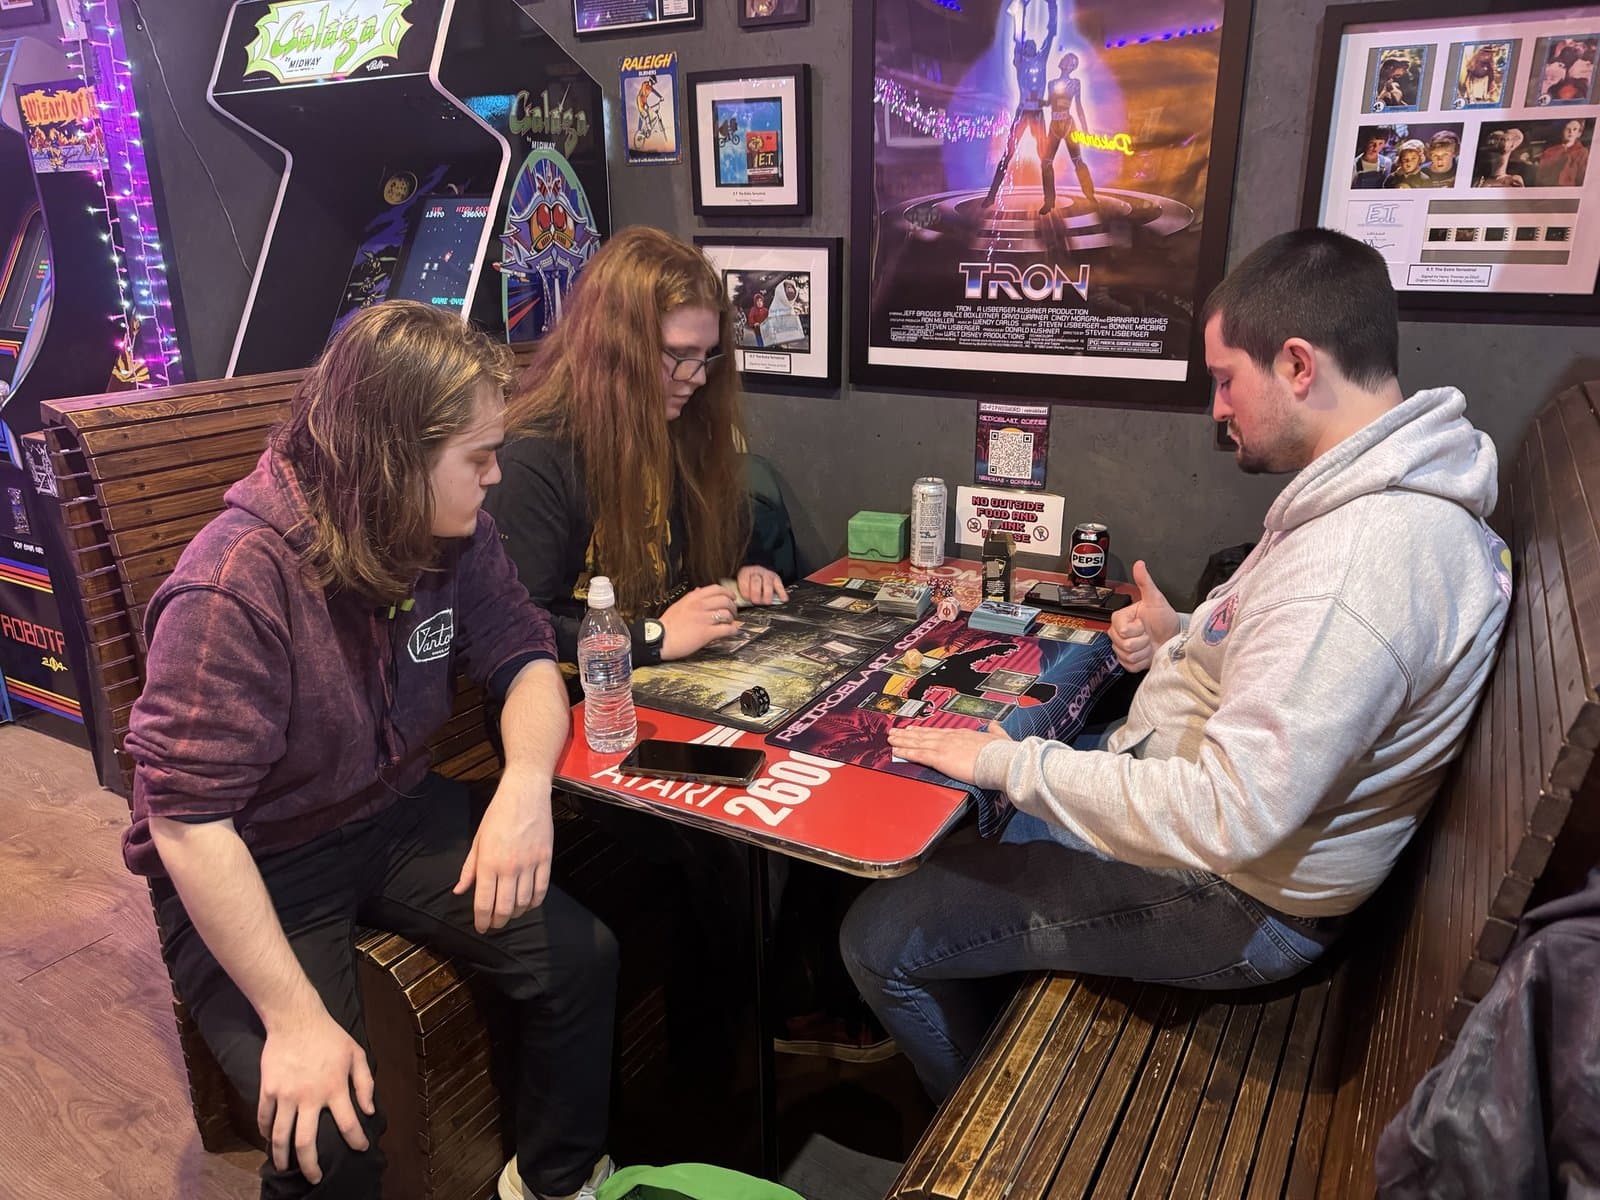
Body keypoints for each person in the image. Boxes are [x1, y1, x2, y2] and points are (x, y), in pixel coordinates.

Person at [840, 228, 1512, 1100]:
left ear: (1299, 366)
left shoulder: (1358, 566)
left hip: (1233, 901)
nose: (1217, 407)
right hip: (1218, 840)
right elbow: (1306, 671)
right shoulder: (1380, 504)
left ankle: (971, 1154)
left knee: (879, 938)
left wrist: (1008, 762)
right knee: (971, 814)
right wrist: (1190, 636)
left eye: (1227, 378)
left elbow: (1228, 815)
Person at [123, 301, 618, 1200]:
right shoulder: (232, 586)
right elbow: (188, 824)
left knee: (580, 959)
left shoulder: (449, 533)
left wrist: (523, 790)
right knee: (331, 1135)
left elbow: (528, 660)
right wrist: (292, 1018)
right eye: (477, 458)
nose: (495, 477)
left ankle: (556, 1183)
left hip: (389, 811)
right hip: (253, 860)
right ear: (394, 457)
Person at [486, 227, 890, 1064]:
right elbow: (512, 632)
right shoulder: (535, 458)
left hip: (657, 701)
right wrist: (656, 633)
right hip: (572, 732)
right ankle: (720, 1064)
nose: (695, 379)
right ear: (616, 346)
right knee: (722, 845)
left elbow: (682, 569)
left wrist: (735, 576)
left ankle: (794, 1007)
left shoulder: (665, 431)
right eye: (677, 357)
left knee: (829, 765)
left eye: (706, 360)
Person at [982, 0, 1057, 209]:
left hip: (1038, 114)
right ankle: (991, 196)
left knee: (1045, 158)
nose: (1031, 46)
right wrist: (1022, 7)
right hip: (1023, 112)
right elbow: (1018, 36)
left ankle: (1049, 200)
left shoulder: (1041, 59)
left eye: (1033, 45)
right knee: (1007, 154)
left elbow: (1050, 33)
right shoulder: (1020, 61)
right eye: (1028, 45)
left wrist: (1051, 5)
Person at [1039, 50, 1097, 213]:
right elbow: (1049, 103)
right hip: (1054, 125)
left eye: (1067, 60)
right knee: (1046, 163)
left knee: (1078, 160)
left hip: (1068, 124)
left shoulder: (1075, 83)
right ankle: (1049, 202)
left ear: (1071, 66)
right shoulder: (1051, 83)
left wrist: (1085, 129)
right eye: (1064, 58)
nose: (1063, 60)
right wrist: (1036, 101)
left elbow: (1078, 106)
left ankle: (1090, 195)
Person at [1534, 118, 1590, 186]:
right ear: (1562, 130)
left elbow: (1582, 177)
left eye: (1574, 129)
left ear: (1579, 133)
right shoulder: (1549, 151)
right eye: (1567, 128)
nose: (1571, 132)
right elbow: (1540, 176)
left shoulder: (1582, 152)